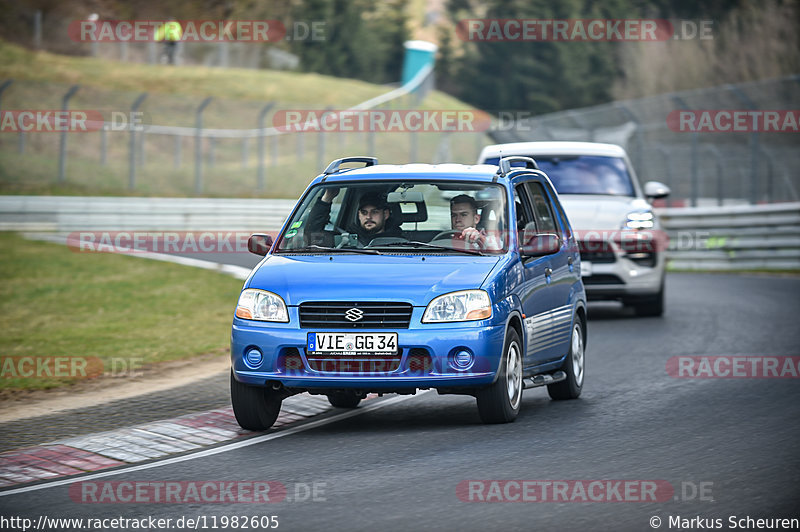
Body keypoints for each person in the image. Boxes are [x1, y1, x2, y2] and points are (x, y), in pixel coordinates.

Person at [306, 188, 402, 247]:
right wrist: (327, 199)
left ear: (386, 214)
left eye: (374, 212)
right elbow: (311, 235)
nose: (368, 217)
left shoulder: (403, 244)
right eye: (364, 212)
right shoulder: (345, 239)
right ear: (359, 215)